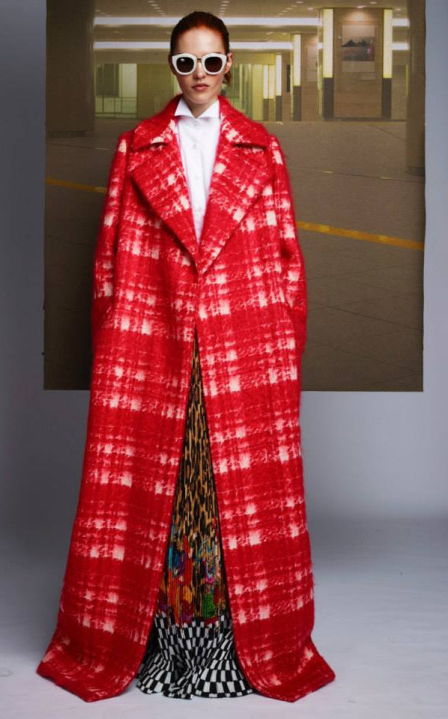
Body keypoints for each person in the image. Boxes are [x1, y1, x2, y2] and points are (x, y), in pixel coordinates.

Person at [36, 10, 336, 704]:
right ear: (170, 67)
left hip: (244, 335)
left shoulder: (263, 147)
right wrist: (115, 341)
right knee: (162, 487)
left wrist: (284, 345)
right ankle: (158, 633)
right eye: (185, 62)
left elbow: (287, 256)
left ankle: (234, 635)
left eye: (211, 61)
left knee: (236, 491)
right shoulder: (136, 146)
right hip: (154, 333)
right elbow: (109, 257)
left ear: (229, 67)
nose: (199, 74)